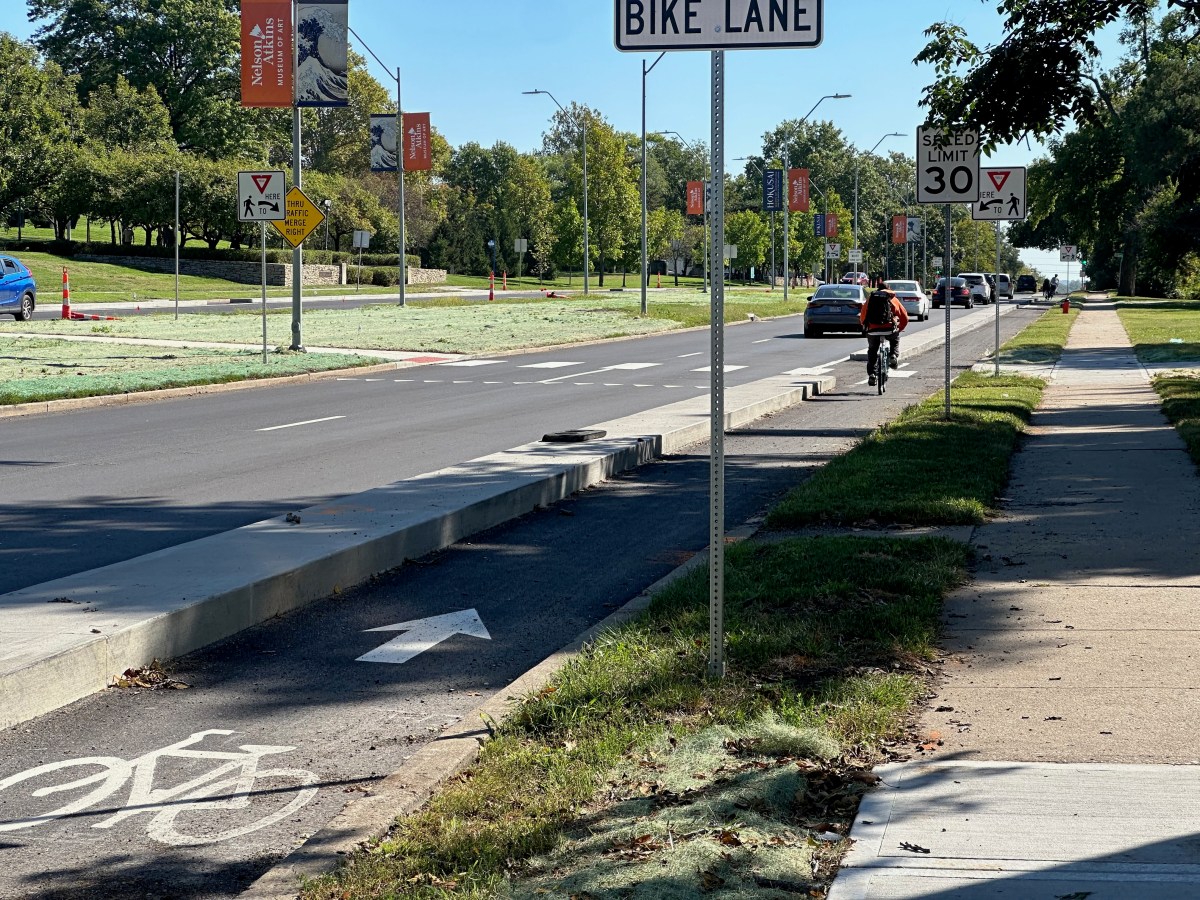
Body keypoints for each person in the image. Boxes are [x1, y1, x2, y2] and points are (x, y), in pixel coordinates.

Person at [859, 282, 909, 386]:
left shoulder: (871, 299)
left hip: (872, 330)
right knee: (895, 339)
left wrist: (865, 326)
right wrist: (899, 329)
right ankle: (893, 355)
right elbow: (904, 317)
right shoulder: (892, 299)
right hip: (889, 329)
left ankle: (872, 374)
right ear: (889, 289)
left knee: (872, 351)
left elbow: (863, 316)